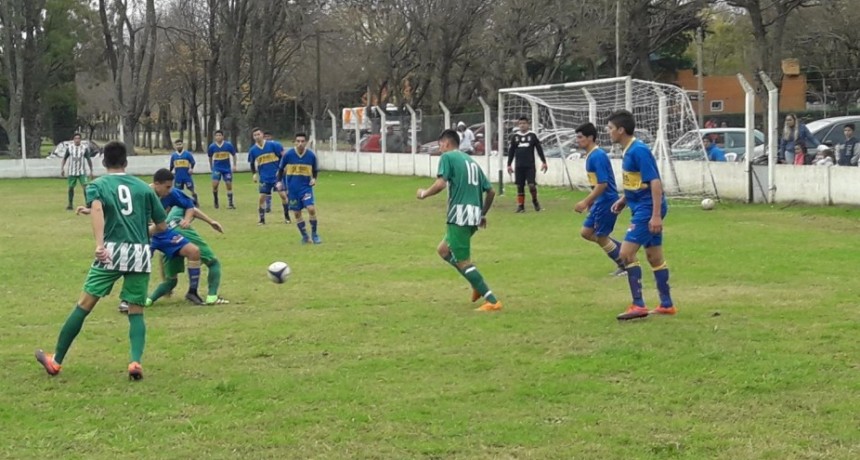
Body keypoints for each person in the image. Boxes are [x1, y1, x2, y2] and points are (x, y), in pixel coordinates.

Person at [35, 141, 168, 380]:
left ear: (104, 162)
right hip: (139, 253)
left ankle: (56, 361)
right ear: (126, 162)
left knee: (84, 305)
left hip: (111, 251)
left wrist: (99, 244)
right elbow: (161, 225)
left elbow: (98, 210)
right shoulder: (144, 188)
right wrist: (141, 230)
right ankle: (135, 362)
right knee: (136, 311)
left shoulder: (97, 185)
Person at [417, 129, 500, 312]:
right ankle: (476, 284)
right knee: (443, 250)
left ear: (446, 143)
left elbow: (440, 184)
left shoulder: (447, 157)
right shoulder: (471, 161)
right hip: (473, 215)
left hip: (459, 216)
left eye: (440, 144)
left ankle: (492, 300)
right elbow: (491, 191)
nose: (440, 148)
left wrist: (423, 194)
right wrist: (482, 213)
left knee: (463, 261)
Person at [607, 110, 675, 321]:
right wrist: (624, 199)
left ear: (621, 130)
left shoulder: (639, 151)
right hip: (641, 207)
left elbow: (655, 182)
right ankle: (666, 304)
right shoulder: (628, 151)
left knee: (626, 254)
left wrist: (655, 216)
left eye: (610, 128)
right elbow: (638, 182)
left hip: (647, 210)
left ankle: (638, 305)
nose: (608, 132)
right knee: (654, 257)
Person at [145, 206, 229, 307]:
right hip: (180, 230)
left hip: (165, 238)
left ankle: (148, 300)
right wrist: (211, 222)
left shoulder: (163, 216)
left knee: (171, 280)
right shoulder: (177, 204)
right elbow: (192, 209)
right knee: (213, 263)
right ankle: (212, 296)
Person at [573, 122, 625, 277]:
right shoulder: (591, 156)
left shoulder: (598, 156)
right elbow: (596, 183)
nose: (578, 140)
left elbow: (602, 184)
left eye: (580, 137)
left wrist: (586, 201)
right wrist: (593, 201)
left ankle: (625, 265)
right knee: (586, 232)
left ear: (590, 138)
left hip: (607, 201)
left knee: (601, 236)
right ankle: (624, 252)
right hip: (600, 201)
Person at [277, 132, 321, 244]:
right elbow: (281, 169)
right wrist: (278, 182)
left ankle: (315, 234)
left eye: (302, 141)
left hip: (306, 188)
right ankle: (305, 236)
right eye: (298, 141)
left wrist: (314, 179)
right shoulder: (288, 155)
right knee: (297, 213)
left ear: (305, 142)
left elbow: (315, 170)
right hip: (292, 189)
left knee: (311, 208)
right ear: (295, 142)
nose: (300, 143)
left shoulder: (311, 156)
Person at [507, 116, 547, 212]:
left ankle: (535, 201)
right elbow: (511, 151)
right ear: (518, 125)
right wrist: (509, 164)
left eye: (524, 123)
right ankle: (521, 206)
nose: (522, 125)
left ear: (528, 124)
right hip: (519, 166)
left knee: (531, 185)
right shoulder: (515, 137)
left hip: (530, 166)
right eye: (520, 123)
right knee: (520, 186)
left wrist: (544, 162)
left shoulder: (532, 136)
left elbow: (539, 149)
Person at [248, 128, 284, 225]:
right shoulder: (253, 150)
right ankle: (262, 220)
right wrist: (254, 174)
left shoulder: (273, 145)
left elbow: (283, 157)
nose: (257, 136)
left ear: (262, 134)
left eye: (258, 134)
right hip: (264, 177)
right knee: (261, 198)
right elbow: (252, 163)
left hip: (276, 177)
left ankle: (287, 217)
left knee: (283, 196)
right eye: (255, 135)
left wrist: (280, 170)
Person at [60, 133, 95, 210]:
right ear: (73, 140)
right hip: (72, 172)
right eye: (75, 138)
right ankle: (70, 204)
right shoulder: (70, 148)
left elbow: (88, 159)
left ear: (80, 140)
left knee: (85, 187)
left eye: (78, 138)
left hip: (82, 172)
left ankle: (88, 204)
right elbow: (65, 158)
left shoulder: (84, 148)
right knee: (71, 187)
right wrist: (62, 168)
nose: (77, 140)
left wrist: (91, 170)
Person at [207, 130, 237, 209]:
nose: (218, 137)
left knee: (228, 184)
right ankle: (216, 200)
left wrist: (234, 165)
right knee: (215, 185)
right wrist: (211, 166)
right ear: (215, 137)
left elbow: (234, 155)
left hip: (226, 168)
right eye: (217, 135)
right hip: (217, 168)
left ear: (223, 136)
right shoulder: (212, 147)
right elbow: (210, 157)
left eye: (220, 135)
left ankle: (230, 203)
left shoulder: (228, 145)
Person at [263, 131, 290, 219]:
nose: (266, 138)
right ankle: (268, 206)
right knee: (267, 191)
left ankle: (288, 206)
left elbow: (283, 156)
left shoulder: (276, 145)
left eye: (268, 136)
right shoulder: (262, 148)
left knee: (283, 191)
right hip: (266, 174)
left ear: (271, 137)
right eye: (265, 136)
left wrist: (283, 167)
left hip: (279, 172)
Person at [169, 139, 199, 206]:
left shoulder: (187, 154)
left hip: (186, 175)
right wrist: (169, 173)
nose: (179, 146)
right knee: (178, 191)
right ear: (175, 146)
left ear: (182, 145)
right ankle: (180, 203)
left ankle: (195, 202)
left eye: (180, 144)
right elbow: (171, 165)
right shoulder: (174, 155)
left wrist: (191, 168)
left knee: (191, 189)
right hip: (178, 176)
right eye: (177, 145)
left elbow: (193, 162)